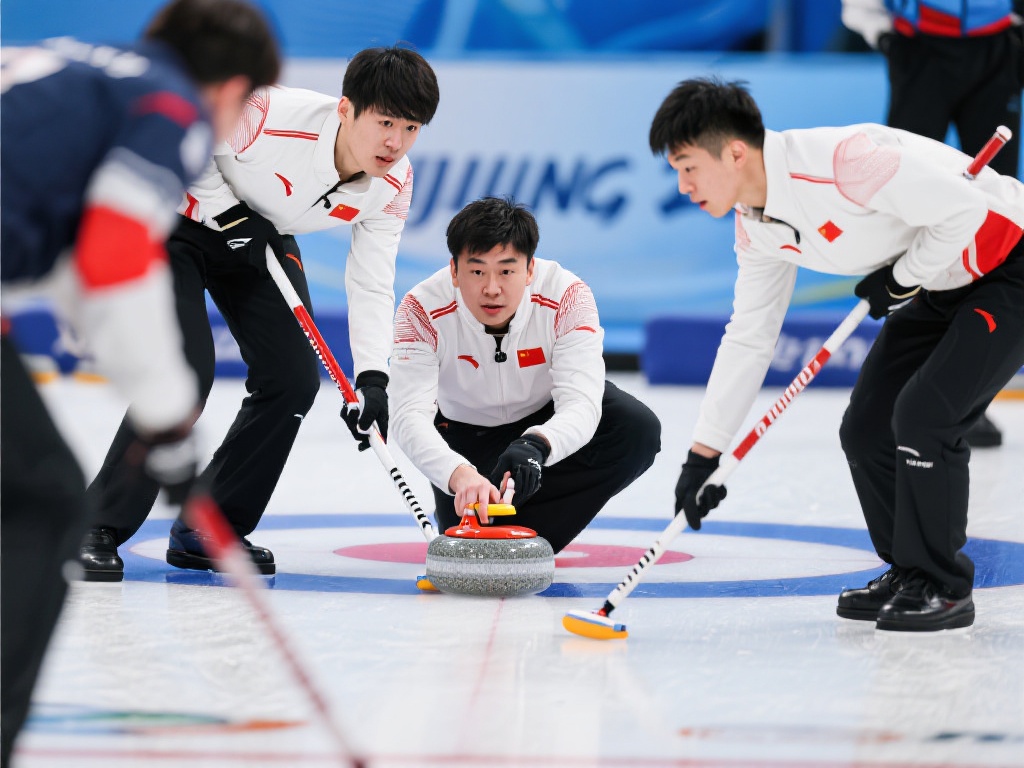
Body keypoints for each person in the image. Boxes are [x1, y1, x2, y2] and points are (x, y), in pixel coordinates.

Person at [0, 0, 281, 763]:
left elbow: (74, 268)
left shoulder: (76, 63)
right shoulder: (170, 105)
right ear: (230, 89)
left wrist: (162, 419)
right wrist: (164, 417)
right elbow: (118, 254)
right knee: (44, 501)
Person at [650, 77, 1024, 631]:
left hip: (1006, 265)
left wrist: (902, 277)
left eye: (687, 167)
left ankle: (942, 585)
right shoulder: (756, 226)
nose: (683, 186)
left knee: (925, 417)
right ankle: (908, 570)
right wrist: (704, 456)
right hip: (938, 281)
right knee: (867, 428)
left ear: (733, 152)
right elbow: (750, 336)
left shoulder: (846, 163)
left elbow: (964, 213)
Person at [77, 45, 440, 581]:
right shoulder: (267, 114)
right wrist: (226, 213)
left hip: (258, 239)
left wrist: (373, 376)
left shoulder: (394, 184)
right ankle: (95, 525)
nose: (396, 142)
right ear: (346, 109)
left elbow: (371, 278)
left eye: (411, 128)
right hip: (173, 220)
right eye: (385, 122)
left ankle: (211, 527)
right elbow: (183, 139)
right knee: (186, 374)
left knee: (292, 380)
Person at [389, 196, 661, 553]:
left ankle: (528, 539)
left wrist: (538, 444)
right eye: (476, 271)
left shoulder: (568, 295)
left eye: (506, 270)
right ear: (454, 271)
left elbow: (582, 401)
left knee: (636, 428)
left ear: (530, 269)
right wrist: (459, 474)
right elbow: (408, 414)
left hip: (544, 422)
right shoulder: (420, 309)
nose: (491, 288)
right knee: (465, 530)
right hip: (464, 437)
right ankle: (491, 528)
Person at [841, 0, 1024, 448]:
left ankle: (963, 396)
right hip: (921, 47)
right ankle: (897, 388)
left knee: (997, 211)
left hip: (997, 49)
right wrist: (877, 29)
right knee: (904, 206)